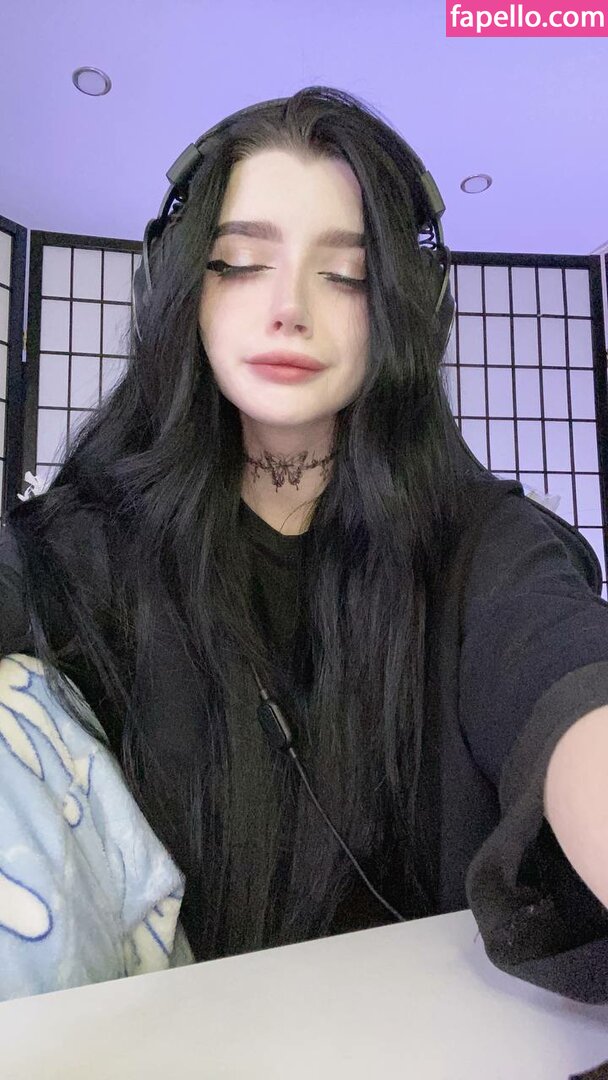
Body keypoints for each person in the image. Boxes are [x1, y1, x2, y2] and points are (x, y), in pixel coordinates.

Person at [1, 84, 608, 1003]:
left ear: (407, 307)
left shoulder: (485, 546)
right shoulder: (80, 548)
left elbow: (564, 674)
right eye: (241, 262)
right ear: (179, 287)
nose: (288, 308)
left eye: (348, 275)